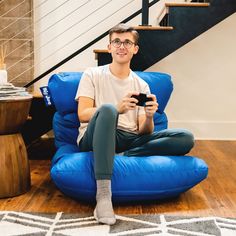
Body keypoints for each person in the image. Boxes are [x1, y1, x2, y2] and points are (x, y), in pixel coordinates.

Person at [75, 23, 194, 225]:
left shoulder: (141, 85)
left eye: (127, 42)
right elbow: (83, 114)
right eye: (117, 42)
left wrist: (149, 116)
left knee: (185, 137)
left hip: (130, 139)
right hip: (95, 136)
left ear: (135, 49)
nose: (122, 46)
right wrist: (116, 108)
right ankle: (103, 195)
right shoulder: (92, 74)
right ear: (109, 47)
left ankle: (122, 155)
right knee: (108, 110)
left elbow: (143, 131)